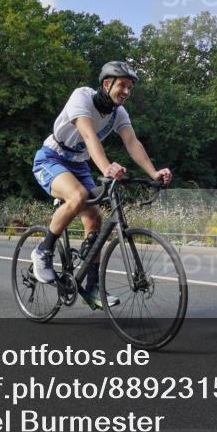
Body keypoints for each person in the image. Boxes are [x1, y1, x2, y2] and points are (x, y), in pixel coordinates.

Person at [31, 61, 172, 309]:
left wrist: (154, 172)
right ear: (107, 84)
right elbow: (88, 135)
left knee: (95, 218)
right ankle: (43, 251)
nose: (127, 92)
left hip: (80, 164)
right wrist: (106, 167)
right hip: (52, 157)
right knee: (78, 196)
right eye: (122, 86)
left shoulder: (119, 113)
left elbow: (132, 143)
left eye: (130, 88)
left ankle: (93, 286)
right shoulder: (82, 97)